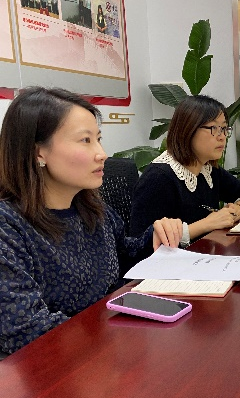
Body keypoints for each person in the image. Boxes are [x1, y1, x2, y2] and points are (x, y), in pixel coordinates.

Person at [0, 87, 182, 356]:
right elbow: (24, 330)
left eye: (98, 139)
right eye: (85, 140)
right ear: (38, 153)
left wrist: (155, 237)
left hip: (105, 351)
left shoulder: (92, 208)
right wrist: (111, 339)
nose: (102, 153)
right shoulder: (8, 227)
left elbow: (124, 256)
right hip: (54, 368)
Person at [130, 95, 240, 246]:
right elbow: (139, 245)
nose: (222, 137)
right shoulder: (159, 178)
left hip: (205, 253)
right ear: (188, 129)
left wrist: (239, 208)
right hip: (177, 260)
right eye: (214, 128)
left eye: (224, 129)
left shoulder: (207, 170)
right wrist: (206, 224)